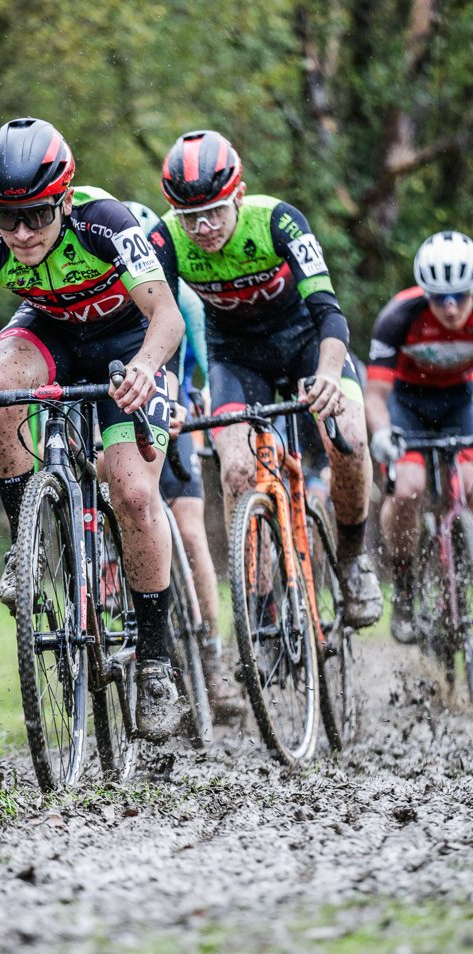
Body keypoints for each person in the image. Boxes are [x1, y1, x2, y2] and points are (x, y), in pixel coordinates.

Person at [0, 117, 185, 742]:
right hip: (53, 335)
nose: (21, 233)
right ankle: (28, 541)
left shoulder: (106, 222)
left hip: (127, 343)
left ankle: (155, 660)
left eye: (37, 215)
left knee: (133, 492)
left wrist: (145, 368)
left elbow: (167, 316)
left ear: (64, 200)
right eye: (6, 217)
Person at [150, 129, 382, 629]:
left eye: (214, 212)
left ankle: (352, 557)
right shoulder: (166, 239)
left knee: (349, 437)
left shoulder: (278, 221)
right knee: (236, 469)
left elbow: (330, 313)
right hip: (236, 359)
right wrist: (168, 395)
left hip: (306, 344)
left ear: (238, 194)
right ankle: (258, 605)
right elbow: (164, 325)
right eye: (190, 216)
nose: (203, 227)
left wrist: (326, 375)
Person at [124, 200, 242, 723]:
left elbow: (207, 362)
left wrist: (194, 405)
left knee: (191, 533)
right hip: (123, 417)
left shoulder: (183, 299)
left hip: (175, 412)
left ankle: (212, 660)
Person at [365, 230, 473, 643]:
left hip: (461, 399)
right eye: (440, 298)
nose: (450, 307)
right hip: (407, 403)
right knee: (408, 489)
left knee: (468, 486)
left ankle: (459, 552)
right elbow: (376, 395)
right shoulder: (399, 316)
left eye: (460, 296)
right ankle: (405, 585)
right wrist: (382, 433)